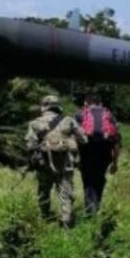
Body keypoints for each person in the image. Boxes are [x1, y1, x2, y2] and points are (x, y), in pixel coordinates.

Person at [25, 94, 87, 228]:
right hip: (65, 165)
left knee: (44, 192)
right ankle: (66, 221)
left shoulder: (35, 123)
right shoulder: (68, 120)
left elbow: (29, 146)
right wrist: (69, 140)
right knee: (65, 193)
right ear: (58, 106)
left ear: (44, 107)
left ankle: (45, 218)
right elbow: (84, 139)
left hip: (44, 164)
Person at [76, 94, 121, 215]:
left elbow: (74, 137)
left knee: (88, 181)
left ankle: (90, 210)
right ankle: (95, 206)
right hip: (104, 153)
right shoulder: (109, 115)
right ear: (100, 103)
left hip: (86, 152)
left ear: (86, 102)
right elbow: (116, 141)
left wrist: (76, 158)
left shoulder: (80, 114)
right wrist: (115, 163)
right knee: (99, 179)